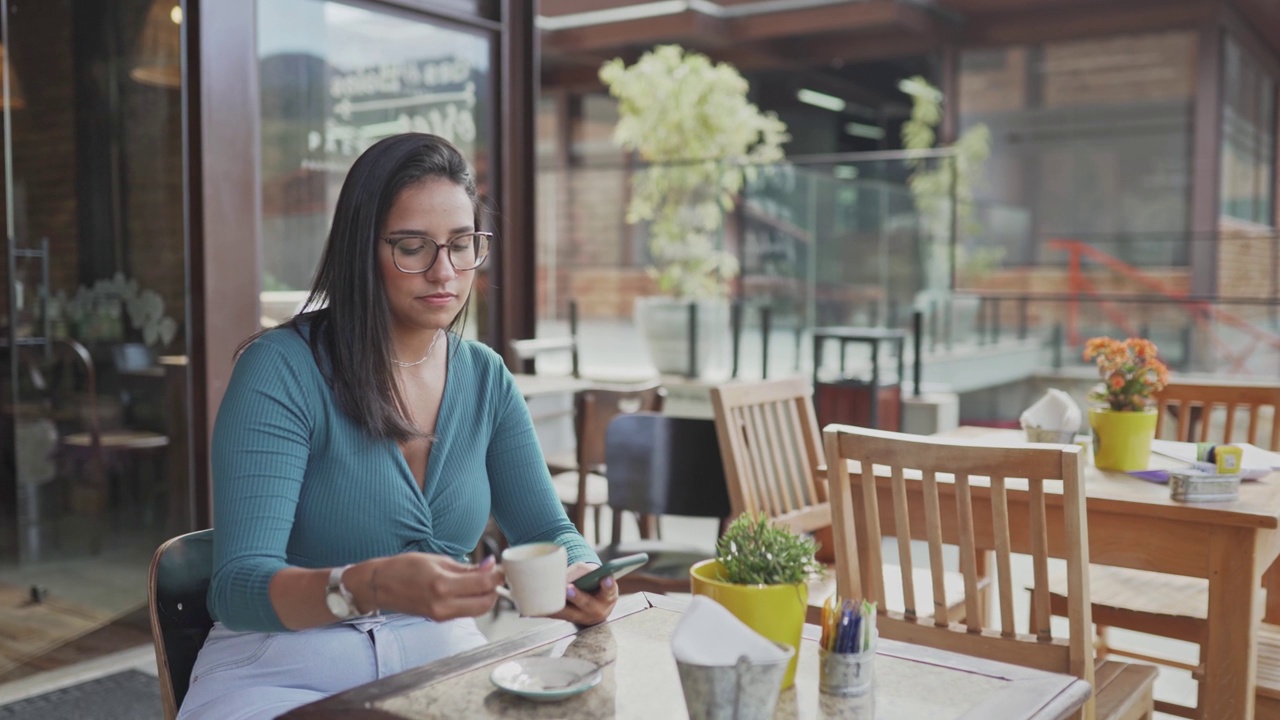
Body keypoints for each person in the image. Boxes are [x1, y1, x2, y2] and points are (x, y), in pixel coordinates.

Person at [177, 133, 617, 720]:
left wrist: (582, 573)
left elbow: (548, 529)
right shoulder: (281, 371)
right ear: (362, 249)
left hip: (441, 667)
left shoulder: (485, 378)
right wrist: (371, 584)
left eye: (463, 245)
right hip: (283, 672)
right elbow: (236, 587)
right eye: (413, 246)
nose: (445, 271)